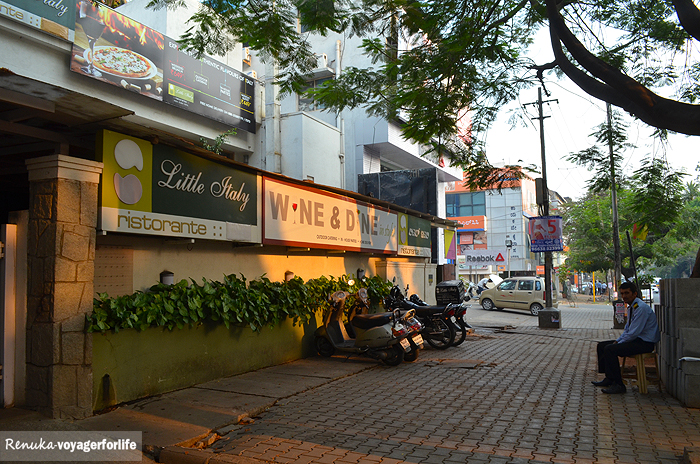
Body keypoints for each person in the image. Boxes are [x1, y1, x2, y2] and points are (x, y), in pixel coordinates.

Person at [592, 281, 660, 394]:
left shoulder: (641, 308)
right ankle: (609, 378)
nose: (624, 296)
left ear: (634, 294)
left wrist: (619, 343)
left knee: (610, 349)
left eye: (627, 293)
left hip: (644, 343)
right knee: (602, 346)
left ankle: (619, 384)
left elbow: (633, 333)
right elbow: (627, 330)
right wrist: (618, 341)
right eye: (622, 293)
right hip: (636, 340)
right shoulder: (631, 308)